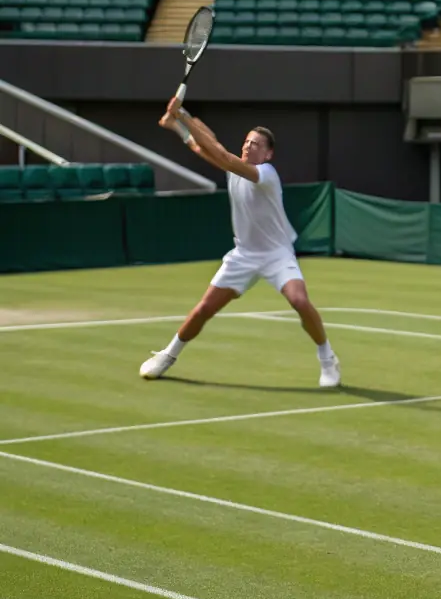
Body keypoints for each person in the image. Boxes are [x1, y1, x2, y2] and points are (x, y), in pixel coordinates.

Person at [138, 97, 341, 388]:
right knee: (203, 309)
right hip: (244, 255)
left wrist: (181, 116)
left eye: (257, 144)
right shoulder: (232, 170)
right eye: (247, 141)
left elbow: (218, 150)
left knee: (298, 300)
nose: (248, 146)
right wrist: (179, 123)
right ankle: (168, 355)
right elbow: (204, 145)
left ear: (268, 154)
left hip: (276, 253)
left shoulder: (266, 174)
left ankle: (327, 358)